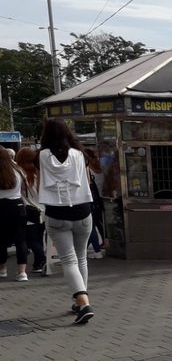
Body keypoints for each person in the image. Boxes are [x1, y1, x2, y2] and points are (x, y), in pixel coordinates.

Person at [37, 119, 96, 324]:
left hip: (56, 213)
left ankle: (83, 302)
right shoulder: (80, 154)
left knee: (69, 261)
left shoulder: (42, 156)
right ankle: (81, 302)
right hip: (83, 212)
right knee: (81, 258)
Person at [0, 147, 30, 281]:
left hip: (1, 207)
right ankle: (22, 272)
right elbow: (25, 187)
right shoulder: (18, 169)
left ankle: (3, 269)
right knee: (21, 240)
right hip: (17, 206)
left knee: (0, 240)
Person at [15, 147, 46, 273]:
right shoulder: (39, 172)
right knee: (39, 238)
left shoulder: (20, 174)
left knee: (32, 240)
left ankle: (41, 261)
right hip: (42, 209)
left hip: (29, 211)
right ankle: (39, 262)